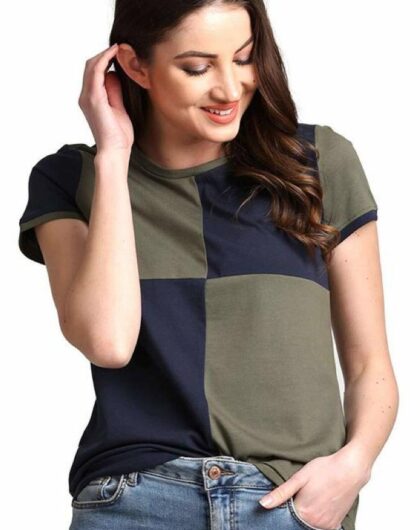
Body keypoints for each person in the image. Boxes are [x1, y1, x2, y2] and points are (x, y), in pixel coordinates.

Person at [18, 1, 398, 530]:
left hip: (287, 500)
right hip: (137, 500)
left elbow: (369, 366)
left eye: (243, 58)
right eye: (197, 67)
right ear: (135, 65)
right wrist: (113, 156)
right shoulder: (71, 178)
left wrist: (352, 467)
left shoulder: (316, 163)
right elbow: (108, 342)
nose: (229, 88)